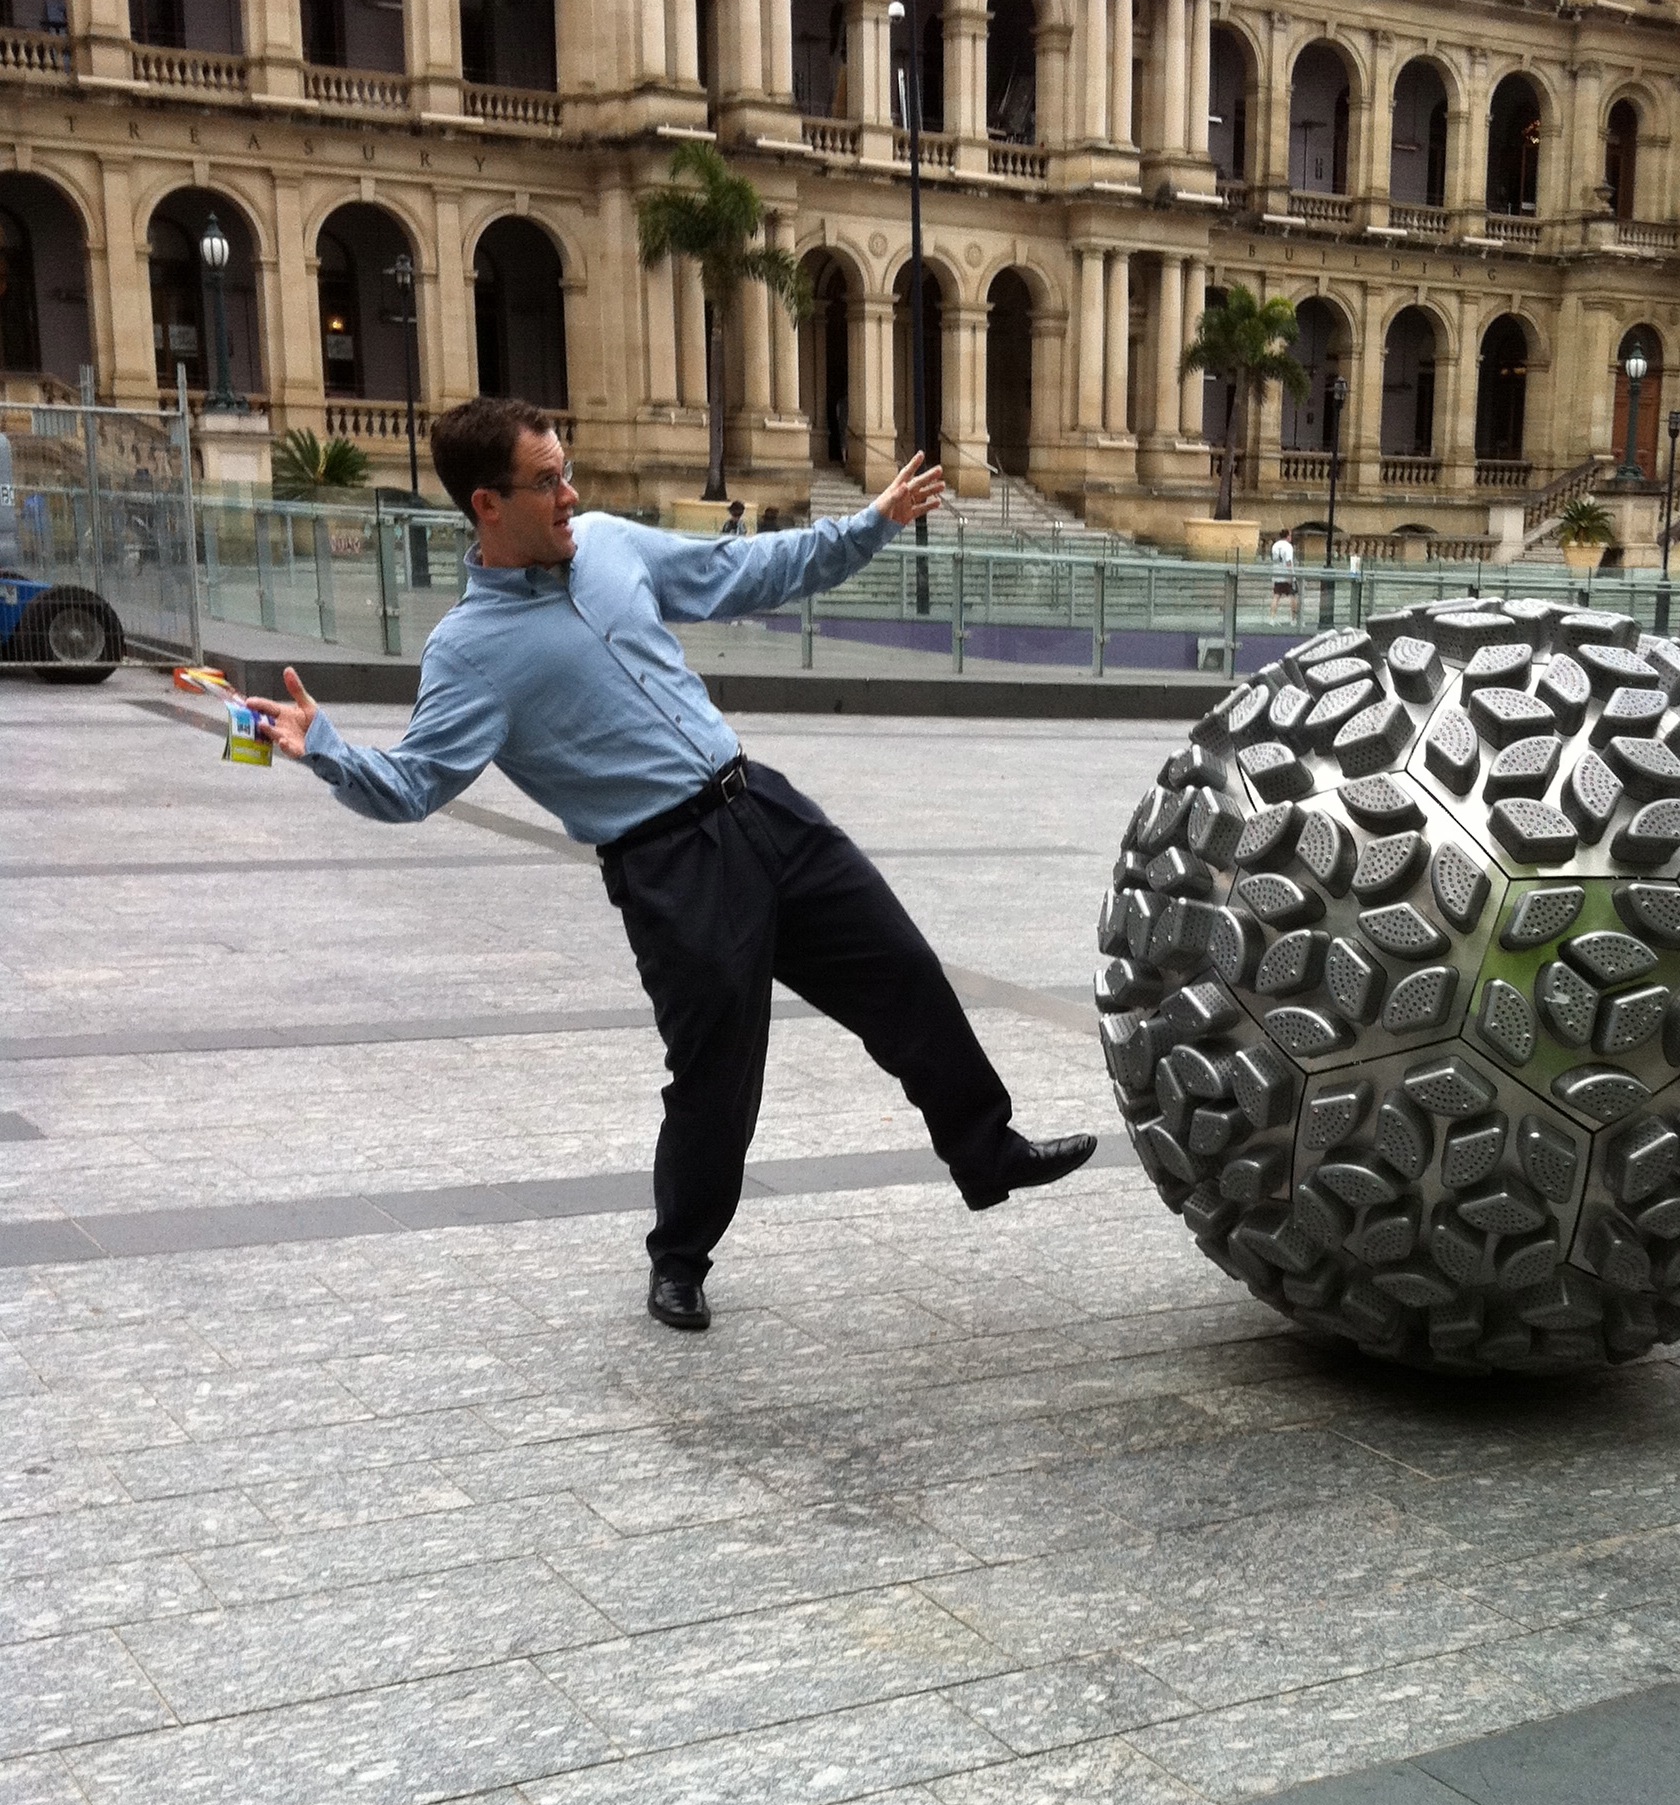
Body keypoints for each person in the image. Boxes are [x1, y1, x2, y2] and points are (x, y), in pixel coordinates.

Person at [244, 397, 1095, 1331]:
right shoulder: (468, 653)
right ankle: (678, 1258)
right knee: (716, 1070)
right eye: (545, 481)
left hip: (759, 804)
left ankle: (986, 1150)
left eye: (565, 472)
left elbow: (741, 570)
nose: (568, 494)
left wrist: (871, 524)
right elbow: (411, 784)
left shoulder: (609, 544)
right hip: (668, 865)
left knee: (901, 970)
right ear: (487, 504)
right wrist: (322, 745)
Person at [1269, 528, 1296, 623]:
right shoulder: (1288, 547)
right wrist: (1291, 575)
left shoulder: (1275, 545)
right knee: (1292, 595)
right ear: (1287, 536)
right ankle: (1293, 619)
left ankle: (1272, 618)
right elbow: (1288, 561)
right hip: (1286, 574)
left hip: (1277, 573)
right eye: (1290, 535)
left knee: (1276, 595)